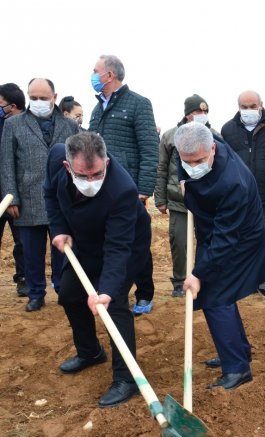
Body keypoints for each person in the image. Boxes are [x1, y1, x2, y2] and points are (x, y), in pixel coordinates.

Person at [45, 132, 151, 407]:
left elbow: (117, 248)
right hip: (85, 241)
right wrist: (59, 230)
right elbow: (50, 195)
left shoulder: (122, 189)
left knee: (112, 305)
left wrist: (106, 291)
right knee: (69, 294)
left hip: (125, 244)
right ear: (68, 166)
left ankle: (127, 378)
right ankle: (90, 352)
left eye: (97, 174)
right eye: (83, 175)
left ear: (106, 161)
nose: (91, 182)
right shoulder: (57, 158)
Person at [175, 122, 265, 390]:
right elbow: (181, 168)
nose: (193, 166)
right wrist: (185, 183)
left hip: (240, 240)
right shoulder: (185, 150)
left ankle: (238, 369)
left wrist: (197, 273)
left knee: (216, 296)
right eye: (187, 161)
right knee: (219, 295)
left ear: (213, 150)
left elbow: (226, 238)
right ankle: (238, 350)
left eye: (199, 161)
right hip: (214, 231)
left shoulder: (234, 182)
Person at [87, 54, 159, 315]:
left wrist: (143, 189)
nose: (92, 75)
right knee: (110, 242)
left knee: (137, 242)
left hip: (128, 189)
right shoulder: (97, 109)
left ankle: (144, 293)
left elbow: (150, 149)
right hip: (101, 189)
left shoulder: (138, 104)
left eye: (95, 71)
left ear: (110, 75)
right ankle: (114, 291)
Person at [0, 78, 78, 312]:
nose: (38, 102)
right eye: (33, 98)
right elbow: (6, 163)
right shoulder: (14, 125)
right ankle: (36, 293)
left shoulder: (69, 126)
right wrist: (11, 196)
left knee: (62, 249)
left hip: (61, 200)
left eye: (43, 98)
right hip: (28, 198)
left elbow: (76, 163)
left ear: (54, 97)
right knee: (31, 251)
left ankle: (62, 288)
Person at [221, 90, 265, 297]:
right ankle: (244, 281)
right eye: (244, 107)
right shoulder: (228, 129)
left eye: (253, 106)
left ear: (261, 105)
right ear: (238, 107)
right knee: (241, 239)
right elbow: (224, 162)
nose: (249, 111)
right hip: (240, 198)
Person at [155, 94, 217, 298]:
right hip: (178, 200)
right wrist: (161, 198)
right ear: (187, 115)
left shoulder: (214, 137)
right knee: (179, 242)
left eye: (205, 112)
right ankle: (180, 281)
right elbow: (162, 168)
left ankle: (203, 278)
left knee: (206, 241)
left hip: (207, 202)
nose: (202, 115)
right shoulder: (171, 136)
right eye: (198, 112)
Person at [0, 82, 27, 296]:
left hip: (16, 195)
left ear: (14, 105)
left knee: (22, 241)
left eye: (1, 104)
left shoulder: (23, 128)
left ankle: (23, 278)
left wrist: (14, 195)